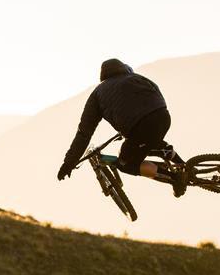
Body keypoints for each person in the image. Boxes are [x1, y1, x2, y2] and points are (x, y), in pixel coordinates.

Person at [57, 58, 186, 197]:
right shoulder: (136, 77)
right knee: (150, 141)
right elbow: (157, 92)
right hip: (162, 116)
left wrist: (68, 163)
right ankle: (184, 166)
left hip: (140, 127)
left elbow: (84, 133)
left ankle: (176, 179)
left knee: (126, 163)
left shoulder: (97, 94)